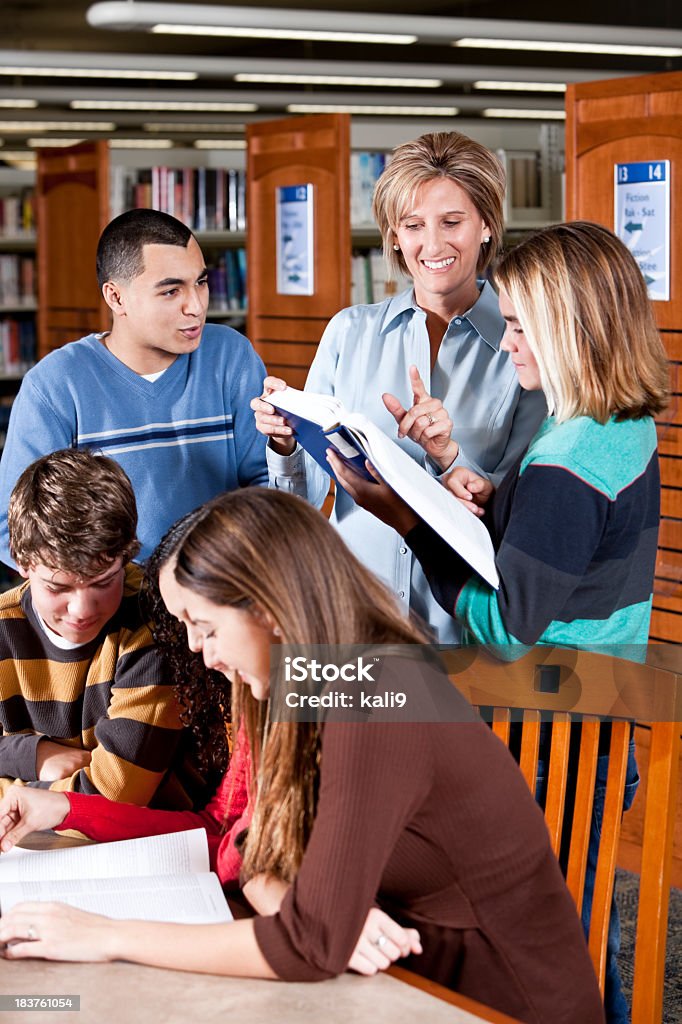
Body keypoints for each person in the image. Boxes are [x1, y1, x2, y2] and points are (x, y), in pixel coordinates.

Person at [0, 489, 604, 1024]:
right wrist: (295, 897)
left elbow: (308, 945)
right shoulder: (300, 680)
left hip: (485, 1002)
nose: (197, 652)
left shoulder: (377, 698)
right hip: (379, 988)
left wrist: (105, 936)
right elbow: (243, 843)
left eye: (203, 625)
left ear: (267, 606)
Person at [329, 221, 669, 1024]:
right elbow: (559, 553)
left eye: (519, 324)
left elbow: (509, 625)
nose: (505, 338)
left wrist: (412, 524)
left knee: (540, 938)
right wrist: (469, 485)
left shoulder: (566, 460)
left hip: (551, 727)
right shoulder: (615, 425)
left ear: (567, 326)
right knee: (571, 925)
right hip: (598, 712)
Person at [252, 131, 546, 644]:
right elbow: (304, 499)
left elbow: (519, 511)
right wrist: (285, 444)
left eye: (452, 222)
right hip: (354, 619)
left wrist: (450, 458)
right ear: (393, 236)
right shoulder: (349, 331)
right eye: (413, 226)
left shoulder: (527, 349)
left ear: (487, 227)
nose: (432, 245)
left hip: (464, 629)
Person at [0, 208, 268, 567]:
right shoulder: (55, 386)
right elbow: (14, 532)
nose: (197, 306)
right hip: (112, 608)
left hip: (222, 591)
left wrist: (288, 447)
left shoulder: (232, 356)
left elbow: (268, 489)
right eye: (171, 291)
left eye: (201, 283)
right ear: (116, 297)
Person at [0, 448, 204, 809]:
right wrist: (31, 754)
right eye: (58, 587)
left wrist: (18, 794)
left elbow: (111, 798)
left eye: (103, 581)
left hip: (148, 847)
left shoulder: (155, 623)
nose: (82, 609)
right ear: (22, 563)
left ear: (127, 556)